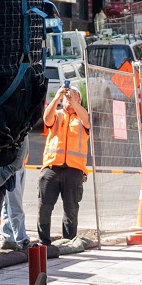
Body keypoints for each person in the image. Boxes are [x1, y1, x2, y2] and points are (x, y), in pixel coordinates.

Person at [37, 74, 92, 250]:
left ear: (80, 101)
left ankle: (68, 240)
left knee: (71, 208)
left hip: (74, 170)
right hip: (52, 167)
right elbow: (47, 119)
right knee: (45, 207)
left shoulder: (82, 117)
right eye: (69, 95)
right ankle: (43, 241)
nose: (70, 99)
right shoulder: (58, 114)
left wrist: (73, 103)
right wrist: (58, 98)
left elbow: (87, 121)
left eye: (75, 96)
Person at [0, 140, 29, 250]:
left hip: (18, 165)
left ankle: (8, 237)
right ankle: (21, 238)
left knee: (9, 203)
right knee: (15, 204)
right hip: (13, 165)